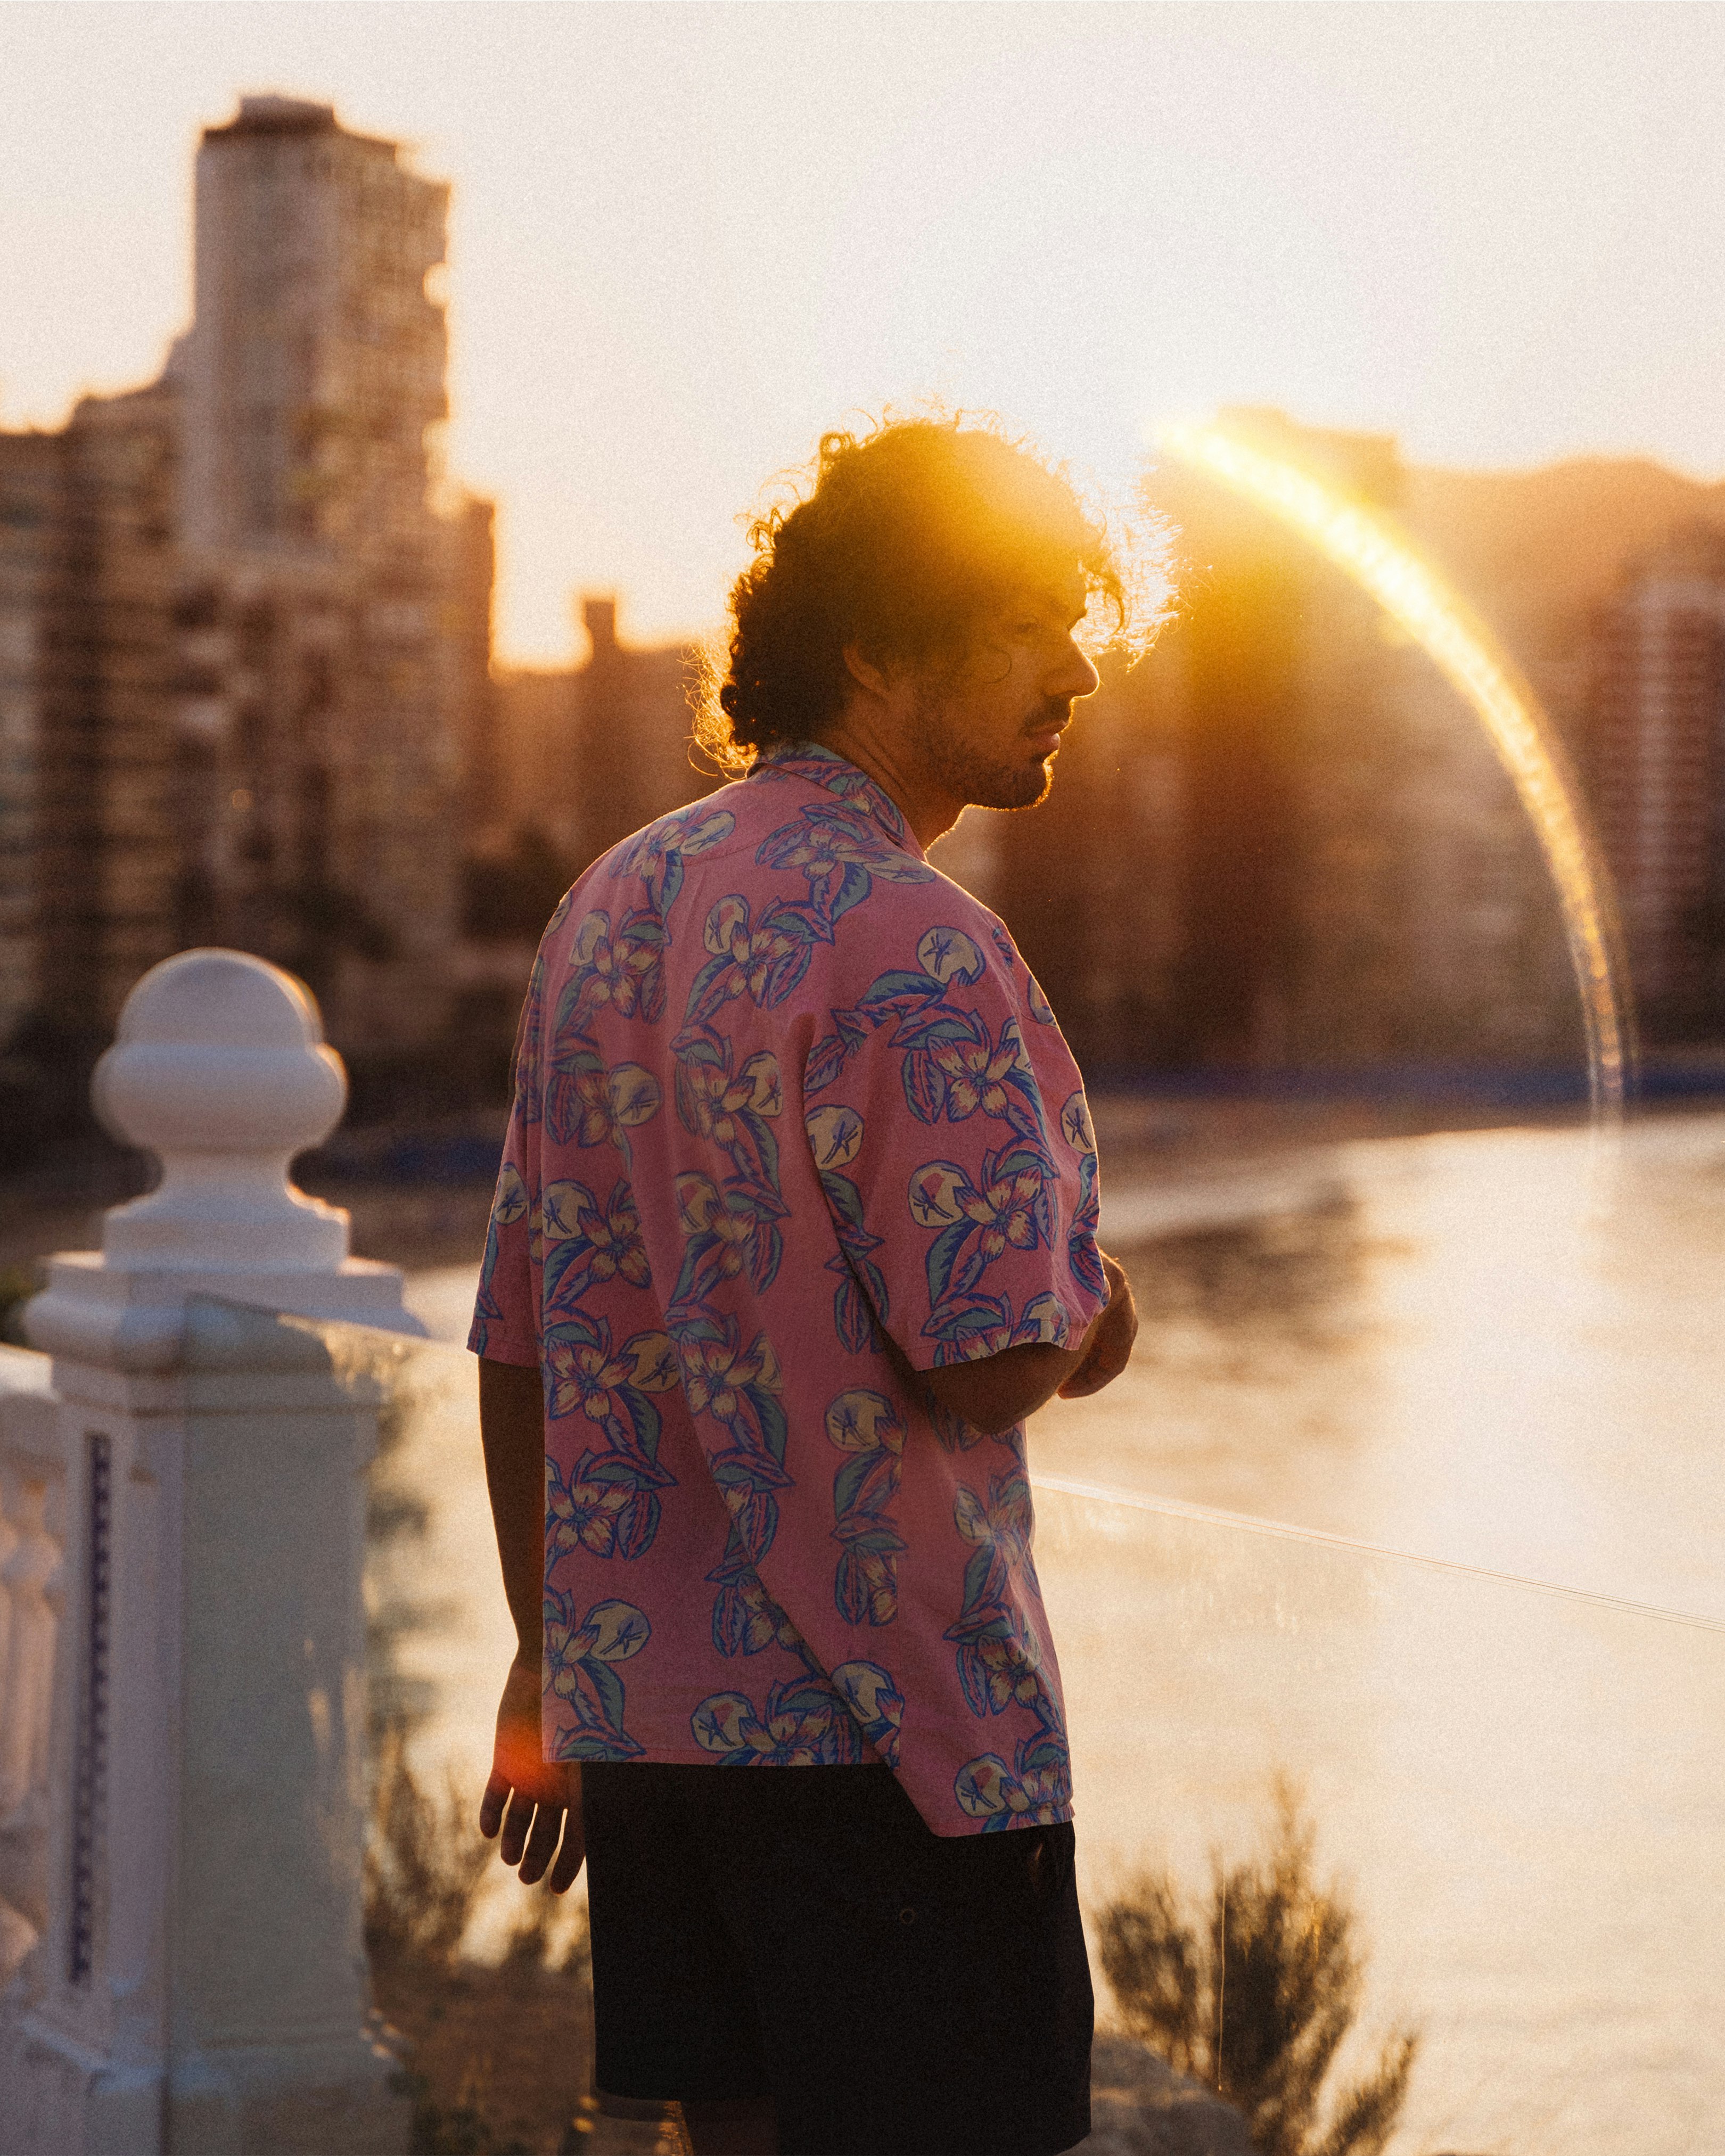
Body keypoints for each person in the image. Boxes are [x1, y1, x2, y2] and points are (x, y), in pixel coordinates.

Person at [471, 417, 1141, 2156]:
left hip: (662, 1732)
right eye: (1022, 622)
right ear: (869, 645)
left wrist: (551, 1651)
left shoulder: (609, 905)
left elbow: (528, 1329)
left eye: (1079, 621)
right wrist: (1100, 1305)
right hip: (895, 1741)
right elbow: (994, 1356)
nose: (1073, 666)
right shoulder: (916, 937)